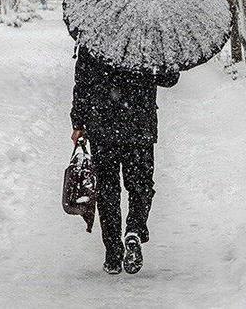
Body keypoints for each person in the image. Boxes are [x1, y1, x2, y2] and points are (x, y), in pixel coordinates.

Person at [70, 47, 179, 274]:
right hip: (139, 126)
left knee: (108, 190)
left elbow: (82, 82)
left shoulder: (95, 36)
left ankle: (112, 253)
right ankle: (135, 230)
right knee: (141, 185)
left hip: (101, 124)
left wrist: (78, 123)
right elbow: (170, 78)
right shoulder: (150, 39)